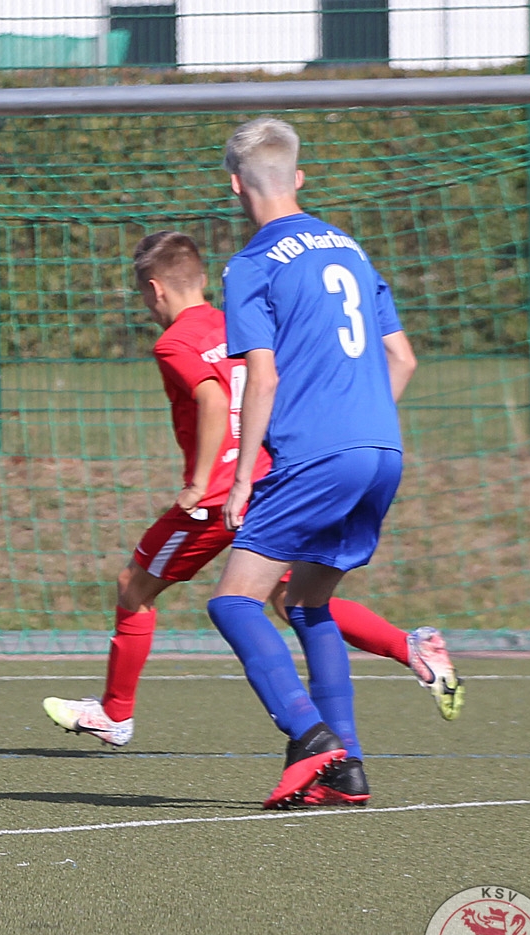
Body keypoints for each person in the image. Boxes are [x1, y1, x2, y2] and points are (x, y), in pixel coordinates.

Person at [42, 233, 463, 754]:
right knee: (293, 599)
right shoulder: (236, 324)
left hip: (219, 495)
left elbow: (213, 401)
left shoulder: (173, 342)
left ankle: (115, 713)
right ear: (201, 279)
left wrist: (198, 482)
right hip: (274, 480)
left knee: (134, 587)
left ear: (154, 290)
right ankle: (411, 647)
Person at [205, 116, 421, 808]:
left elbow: (262, 378)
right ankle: (347, 769)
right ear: (297, 177)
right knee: (306, 601)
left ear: (235, 185)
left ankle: (312, 737)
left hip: (316, 455)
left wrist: (243, 476)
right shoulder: (350, 249)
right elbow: (402, 358)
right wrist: (361, 425)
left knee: (234, 600)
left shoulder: (251, 265)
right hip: (381, 449)